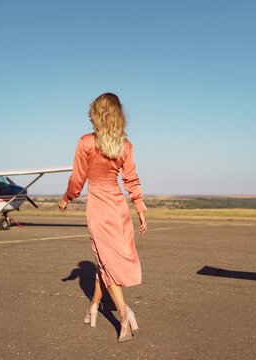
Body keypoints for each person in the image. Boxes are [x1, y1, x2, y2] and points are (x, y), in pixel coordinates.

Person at [58, 93, 148, 343]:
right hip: (118, 207)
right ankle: (94, 307)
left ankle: (124, 315)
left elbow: (78, 178)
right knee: (104, 260)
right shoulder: (125, 146)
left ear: (96, 113)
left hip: (98, 206)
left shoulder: (86, 142)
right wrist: (139, 208)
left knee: (106, 261)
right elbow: (131, 179)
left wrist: (67, 198)